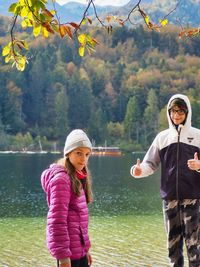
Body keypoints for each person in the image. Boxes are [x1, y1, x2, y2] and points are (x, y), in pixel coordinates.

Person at [130, 94, 200, 267]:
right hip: (170, 201)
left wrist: (199, 165)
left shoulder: (197, 135)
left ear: (187, 112)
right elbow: (150, 164)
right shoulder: (162, 138)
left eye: (180, 111)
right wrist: (138, 171)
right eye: (173, 111)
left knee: (195, 247)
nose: (176, 115)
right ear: (169, 112)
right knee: (173, 248)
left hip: (193, 199)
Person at [41, 129, 93, 267]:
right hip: (68, 256)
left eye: (87, 154)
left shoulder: (77, 177)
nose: (84, 159)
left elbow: (79, 222)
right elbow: (56, 222)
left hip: (78, 252)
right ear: (68, 153)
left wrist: (85, 250)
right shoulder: (62, 180)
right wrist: (63, 258)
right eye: (79, 153)